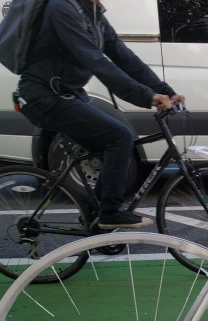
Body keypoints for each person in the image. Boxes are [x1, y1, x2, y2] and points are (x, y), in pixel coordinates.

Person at [16, 0, 185, 229]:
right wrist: (146, 96)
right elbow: (96, 62)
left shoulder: (93, 13)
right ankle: (109, 212)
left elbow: (125, 57)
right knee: (120, 136)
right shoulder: (61, 8)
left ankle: (94, 219)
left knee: (113, 148)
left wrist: (166, 92)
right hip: (44, 97)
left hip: (66, 94)